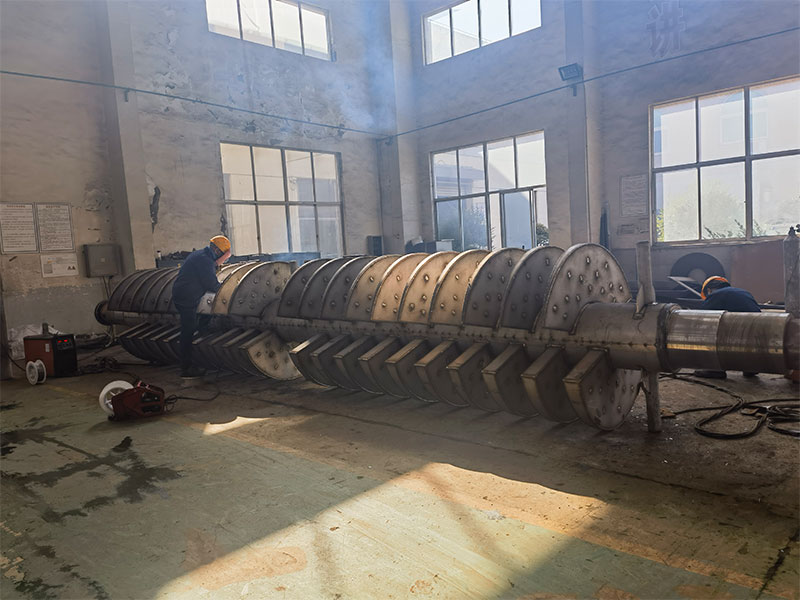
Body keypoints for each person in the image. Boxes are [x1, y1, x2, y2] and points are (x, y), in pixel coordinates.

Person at [172, 236, 231, 378]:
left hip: (184, 294)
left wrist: (218, 264)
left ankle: (203, 342)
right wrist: (229, 289)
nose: (224, 259)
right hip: (186, 298)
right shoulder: (205, 261)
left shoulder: (200, 255)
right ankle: (186, 368)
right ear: (217, 251)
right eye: (224, 256)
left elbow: (208, 271)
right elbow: (211, 284)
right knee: (188, 330)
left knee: (203, 318)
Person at [694, 276, 761, 379]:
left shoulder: (716, 295)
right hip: (757, 329)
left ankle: (714, 369)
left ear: (709, 290)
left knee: (707, 331)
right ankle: (750, 367)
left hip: (739, 330)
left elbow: (702, 316)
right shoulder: (742, 292)